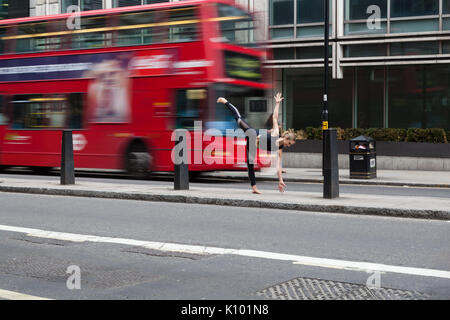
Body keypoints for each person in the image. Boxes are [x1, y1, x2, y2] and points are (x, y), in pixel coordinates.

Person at [217, 93, 296, 194]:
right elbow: (275, 118)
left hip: (253, 143)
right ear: (285, 138)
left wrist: (280, 180)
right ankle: (225, 102)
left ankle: (254, 188)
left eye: (290, 145)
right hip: (253, 134)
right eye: (288, 143)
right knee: (239, 119)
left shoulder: (279, 148)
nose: (288, 145)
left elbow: (278, 166)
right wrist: (277, 103)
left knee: (250, 163)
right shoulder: (275, 133)